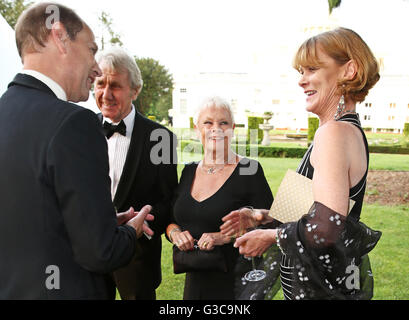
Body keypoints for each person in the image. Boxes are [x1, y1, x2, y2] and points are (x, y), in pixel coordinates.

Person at [0, 2, 153, 299]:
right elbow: (101, 253)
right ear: (59, 37)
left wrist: (104, 221)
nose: (96, 68)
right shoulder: (74, 122)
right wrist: (129, 231)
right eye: (92, 50)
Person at [221, 27, 382, 300]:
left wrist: (270, 237)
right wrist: (261, 216)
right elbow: (304, 209)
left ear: (349, 70)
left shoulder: (333, 133)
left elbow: (326, 227)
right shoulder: (341, 131)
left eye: (312, 69)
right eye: (301, 72)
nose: (302, 80)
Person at [165, 96, 274, 300]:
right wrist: (176, 234)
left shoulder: (249, 170)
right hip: (195, 282)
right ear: (197, 129)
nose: (216, 129)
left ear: (232, 129)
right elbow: (171, 221)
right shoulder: (188, 171)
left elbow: (272, 223)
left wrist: (224, 236)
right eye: (208, 122)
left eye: (223, 123)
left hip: (237, 282)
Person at [94, 48, 178, 300]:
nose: (106, 94)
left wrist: (142, 222)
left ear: (135, 90)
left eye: (116, 86)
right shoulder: (81, 130)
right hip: (90, 255)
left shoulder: (160, 138)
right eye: (100, 84)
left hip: (137, 258)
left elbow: (169, 201)